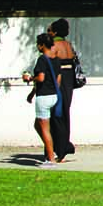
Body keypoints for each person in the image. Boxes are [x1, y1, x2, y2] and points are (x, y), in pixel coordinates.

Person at [22, 31, 60, 165]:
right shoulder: (55, 59)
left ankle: (51, 159)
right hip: (54, 95)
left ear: (42, 45)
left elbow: (41, 78)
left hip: (43, 97)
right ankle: (51, 151)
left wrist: (29, 78)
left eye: (38, 44)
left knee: (45, 129)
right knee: (37, 125)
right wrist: (32, 93)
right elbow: (58, 79)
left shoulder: (42, 59)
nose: (37, 47)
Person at [47, 18, 79, 160]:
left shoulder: (54, 45)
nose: (48, 33)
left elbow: (49, 62)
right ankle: (64, 144)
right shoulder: (68, 45)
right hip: (69, 80)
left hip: (58, 80)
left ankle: (59, 149)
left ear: (55, 32)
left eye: (49, 30)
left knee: (56, 113)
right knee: (65, 111)